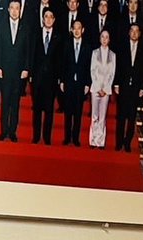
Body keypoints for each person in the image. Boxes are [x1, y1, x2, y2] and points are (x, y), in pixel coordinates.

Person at [0, 0, 30, 142]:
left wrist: (26, 68)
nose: (15, 11)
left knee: (15, 103)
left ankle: (12, 131)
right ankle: (4, 131)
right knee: (5, 102)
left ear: (20, 10)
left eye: (17, 8)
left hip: (19, 72)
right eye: (12, 8)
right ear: (8, 9)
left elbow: (27, 50)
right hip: (4, 70)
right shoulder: (1, 26)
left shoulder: (25, 27)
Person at [113, 22, 143, 151]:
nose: (134, 33)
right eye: (132, 30)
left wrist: (142, 87)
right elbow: (118, 66)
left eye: (136, 31)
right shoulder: (122, 47)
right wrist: (116, 83)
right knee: (121, 116)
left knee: (132, 117)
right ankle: (119, 142)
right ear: (129, 33)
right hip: (123, 85)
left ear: (139, 34)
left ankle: (127, 142)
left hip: (135, 87)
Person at [30, 7, 60, 144]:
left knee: (49, 110)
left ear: (54, 20)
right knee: (36, 109)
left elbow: (60, 59)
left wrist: (58, 77)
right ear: (43, 19)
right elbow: (32, 54)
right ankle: (36, 136)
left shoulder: (58, 37)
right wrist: (31, 73)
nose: (48, 19)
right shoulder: (36, 34)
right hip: (37, 78)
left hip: (51, 79)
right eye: (46, 16)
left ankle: (47, 137)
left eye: (50, 17)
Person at [59, 17, 88, 145]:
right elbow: (62, 64)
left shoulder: (87, 46)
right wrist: (62, 81)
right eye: (74, 28)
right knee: (68, 111)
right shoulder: (66, 44)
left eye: (79, 28)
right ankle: (67, 137)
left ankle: (75, 138)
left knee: (78, 111)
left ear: (83, 30)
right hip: (69, 82)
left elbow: (88, 67)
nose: (76, 31)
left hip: (81, 83)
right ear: (71, 30)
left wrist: (87, 83)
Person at [88, 26, 114, 148]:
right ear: (99, 38)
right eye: (102, 37)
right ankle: (93, 140)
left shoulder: (113, 55)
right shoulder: (94, 53)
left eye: (106, 37)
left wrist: (105, 88)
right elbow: (92, 70)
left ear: (109, 39)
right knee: (95, 115)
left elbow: (112, 74)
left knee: (103, 116)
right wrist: (98, 87)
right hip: (95, 88)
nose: (104, 39)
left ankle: (100, 141)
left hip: (106, 90)